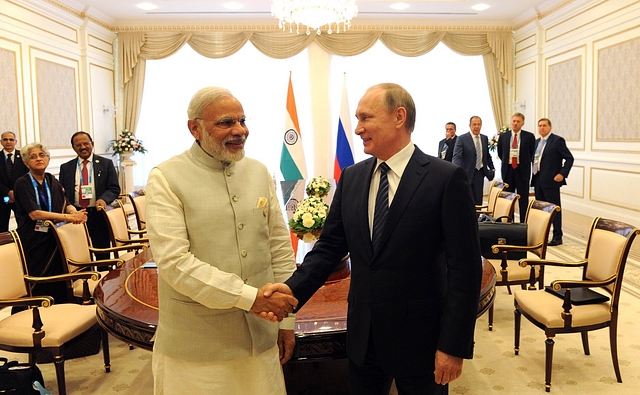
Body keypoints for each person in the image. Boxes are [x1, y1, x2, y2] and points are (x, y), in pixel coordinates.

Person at [263, 83, 482, 395]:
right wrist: (291, 289)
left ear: (398, 117)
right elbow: (329, 248)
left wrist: (453, 346)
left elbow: (465, 270)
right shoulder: (351, 178)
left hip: (422, 341)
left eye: (366, 118)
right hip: (363, 339)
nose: (357, 128)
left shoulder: (445, 179)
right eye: (356, 118)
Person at [145, 86, 298, 395]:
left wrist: (286, 323)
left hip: (261, 336)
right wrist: (250, 297)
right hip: (198, 345)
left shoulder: (258, 171)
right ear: (195, 128)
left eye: (242, 120)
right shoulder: (166, 177)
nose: (239, 130)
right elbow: (175, 263)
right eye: (226, 122)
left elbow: (279, 247)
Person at [13, 142, 87, 303]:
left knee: (58, 276)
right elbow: (35, 214)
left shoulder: (51, 179)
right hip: (34, 239)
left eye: (41, 155)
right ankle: (37, 308)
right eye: (33, 157)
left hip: (54, 237)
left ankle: (60, 305)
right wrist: (69, 218)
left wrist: (75, 212)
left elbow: (65, 202)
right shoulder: (23, 183)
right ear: (26, 163)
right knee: (39, 277)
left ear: (48, 159)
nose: (38, 159)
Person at [58, 131, 120, 259]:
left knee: (102, 252)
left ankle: (104, 276)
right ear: (73, 147)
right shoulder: (66, 167)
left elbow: (114, 188)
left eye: (86, 143)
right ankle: (86, 277)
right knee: (79, 253)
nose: (83, 147)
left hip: (98, 214)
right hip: (76, 215)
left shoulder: (106, 164)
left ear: (92, 144)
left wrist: (103, 199)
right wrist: (69, 209)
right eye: (78, 145)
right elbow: (61, 193)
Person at [531, 118, 574, 246]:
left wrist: (562, 173)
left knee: (554, 209)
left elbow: (570, 158)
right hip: (538, 179)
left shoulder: (557, 141)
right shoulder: (537, 142)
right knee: (542, 210)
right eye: (539, 126)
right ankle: (543, 234)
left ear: (550, 127)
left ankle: (557, 236)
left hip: (551, 181)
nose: (542, 128)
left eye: (544, 125)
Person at [497, 113, 535, 222]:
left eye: (518, 121)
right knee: (509, 198)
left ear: (522, 123)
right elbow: (500, 153)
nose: (515, 123)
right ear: (511, 122)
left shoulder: (529, 136)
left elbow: (532, 153)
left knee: (523, 199)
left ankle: (523, 222)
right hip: (508, 170)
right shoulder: (504, 136)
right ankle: (510, 221)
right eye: (514, 121)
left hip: (522, 171)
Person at [452, 116, 495, 205]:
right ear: (470, 125)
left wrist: (492, 168)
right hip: (466, 173)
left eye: (479, 124)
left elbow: (486, 155)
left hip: (480, 173)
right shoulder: (462, 139)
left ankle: (477, 218)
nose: (476, 126)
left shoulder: (484, 138)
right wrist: (457, 172)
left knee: (478, 200)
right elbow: (457, 157)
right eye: (474, 124)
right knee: (467, 200)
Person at [0, 131, 29, 232]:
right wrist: (8, 192)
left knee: (23, 224)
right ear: (1, 142)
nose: (8, 142)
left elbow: (27, 176)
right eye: (5, 139)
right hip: (1, 197)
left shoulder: (23, 157)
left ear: (16, 142)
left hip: (20, 197)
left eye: (11, 139)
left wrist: (15, 192)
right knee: (1, 226)